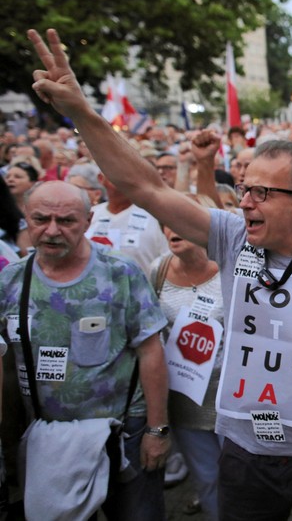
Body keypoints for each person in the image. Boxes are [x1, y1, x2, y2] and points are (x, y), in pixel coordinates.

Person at [28, 28, 292, 521]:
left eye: (261, 193)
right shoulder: (230, 235)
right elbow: (145, 187)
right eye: (243, 189)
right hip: (242, 452)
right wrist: (82, 112)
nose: (244, 201)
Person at [0, 181, 170, 520]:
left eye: (66, 221)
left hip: (124, 431)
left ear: (89, 220)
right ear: (25, 218)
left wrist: (157, 430)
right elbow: (6, 366)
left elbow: (151, 351)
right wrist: (9, 436)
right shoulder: (11, 281)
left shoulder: (120, 271)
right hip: (50, 437)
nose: (52, 230)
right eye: (40, 219)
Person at [150, 198, 223, 521]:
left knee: (248, 478)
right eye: (166, 220)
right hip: (185, 397)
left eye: (181, 219)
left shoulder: (231, 266)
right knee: (208, 479)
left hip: (232, 396)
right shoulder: (159, 269)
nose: (171, 228)